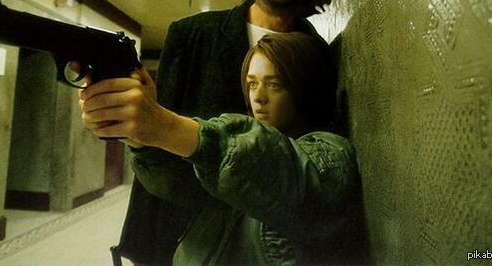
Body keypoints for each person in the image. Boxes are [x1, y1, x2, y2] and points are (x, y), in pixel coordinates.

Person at [91, 0, 334, 265]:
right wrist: (145, 245)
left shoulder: (319, 55)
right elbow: (155, 133)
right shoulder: (193, 35)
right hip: (187, 230)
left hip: (267, 240)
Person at [79, 32, 361, 265]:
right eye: (252, 83)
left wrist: (165, 126)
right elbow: (181, 181)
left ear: (306, 88)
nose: (258, 97)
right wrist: (140, 139)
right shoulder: (232, 164)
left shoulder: (329, 153)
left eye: (274, 84)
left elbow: (275, 165)